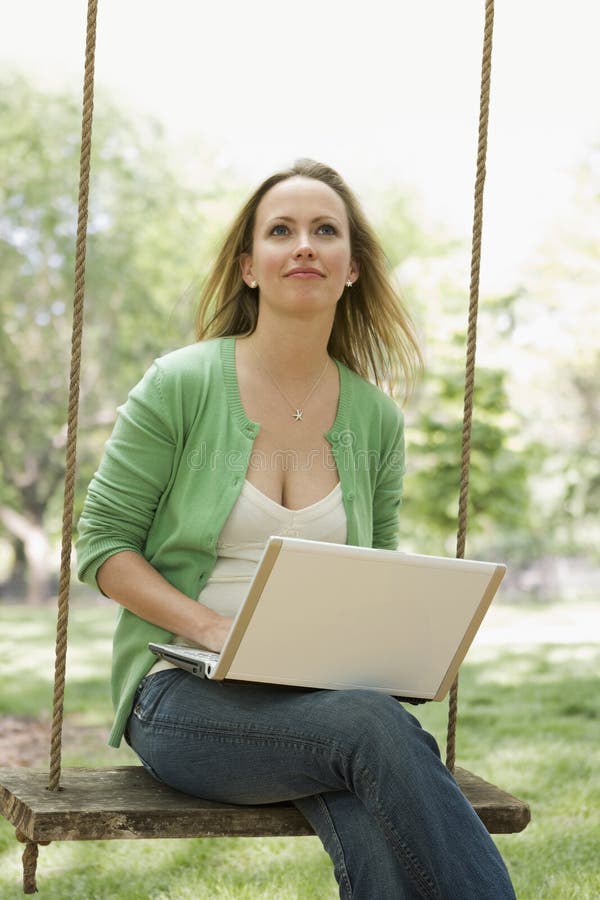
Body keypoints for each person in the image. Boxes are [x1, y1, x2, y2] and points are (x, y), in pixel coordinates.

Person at [76, 159, 516, 899]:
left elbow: (372, 573)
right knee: (373, 735)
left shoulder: (374, 418)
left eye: (325, 231)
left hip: (322, 697)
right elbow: (103, 547)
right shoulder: (180, 384)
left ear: (350, 268)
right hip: (184, 693)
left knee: (371, 772)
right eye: (281, 231)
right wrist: (213, 628)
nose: (304, 245)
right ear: (250, 267)